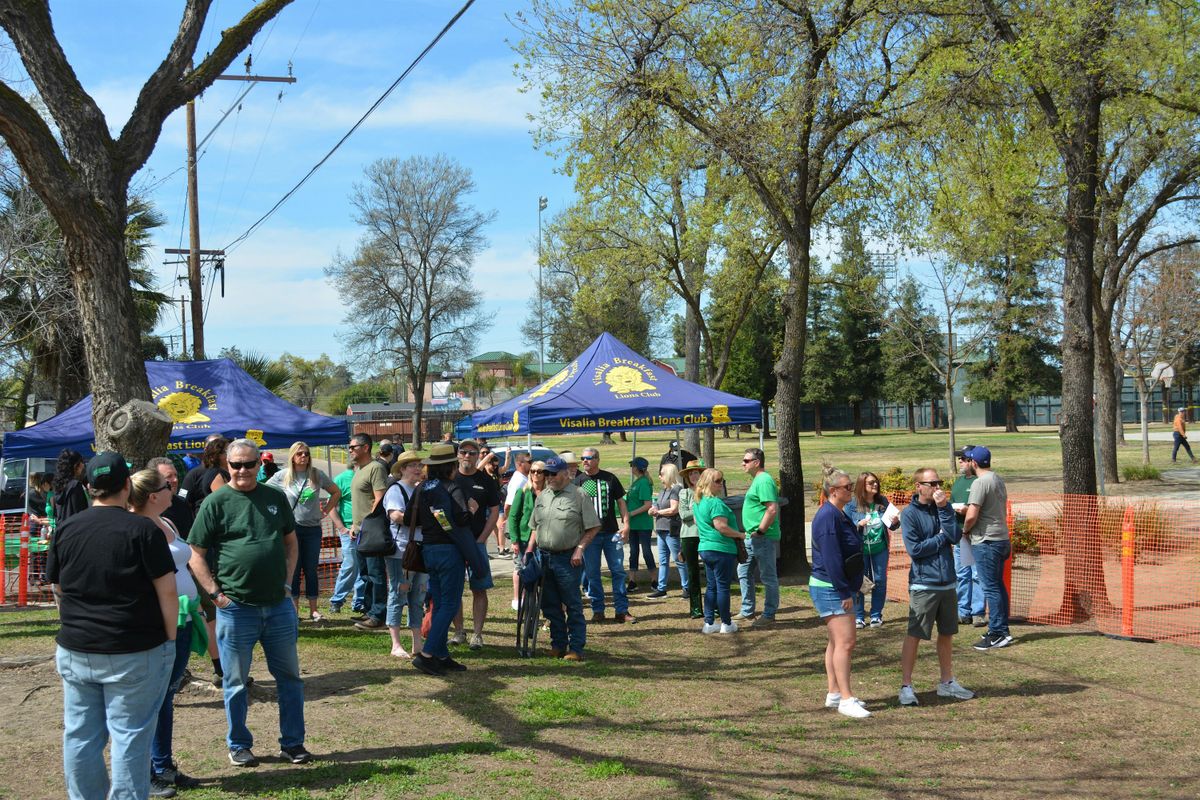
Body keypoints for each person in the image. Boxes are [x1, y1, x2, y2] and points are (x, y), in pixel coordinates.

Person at [48, 452, 178, 799]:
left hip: (77, 648)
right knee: (130, 736)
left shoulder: (66, 528)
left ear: (90, 487)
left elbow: (57, 586)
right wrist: (169, 641)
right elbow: (167, 592)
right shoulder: (143, 530)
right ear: (126, 485)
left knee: (80, 735)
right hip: (133, 650)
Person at [187, 438, 310, 767]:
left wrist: (286, 584)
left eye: (249, 464)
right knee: (236, 682)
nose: (242, 470)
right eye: (236, 464)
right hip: (236, 609)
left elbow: (291, 543)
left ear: (259, 465)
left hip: (278, 607)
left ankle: (293, 743)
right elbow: (195, 556)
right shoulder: (216, 502)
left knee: (290, 679)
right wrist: (216, 595)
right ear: (227, 466)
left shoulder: (274, 498)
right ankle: (239, 744)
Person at [129, 468, 202, 796]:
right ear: (151, 495)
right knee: (149, 702)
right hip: (159, 625)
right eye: (166, 485)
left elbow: (185, 565)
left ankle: (164, 766)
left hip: (184, 619)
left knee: (166, 697)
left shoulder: (169, 521)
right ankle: (144, 773)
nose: (174, 487)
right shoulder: (137, 527)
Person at [897, 467, 975, 707]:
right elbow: (916, 550)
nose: (937, 487)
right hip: (924, 584)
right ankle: (906, 686)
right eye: (931, 483)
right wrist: (941, 537)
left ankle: (947, 682)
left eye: (939, 482)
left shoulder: (944, 508)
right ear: (918, 486)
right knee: (916, 634)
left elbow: (954, 535)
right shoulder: (909, 514)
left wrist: (943, 511)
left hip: (948, 582)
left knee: (947, 633)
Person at [408, 443, 474, 676]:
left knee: (438, 602)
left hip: (428, 550)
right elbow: (462, 520)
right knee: (450, 604)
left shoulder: (422, 488)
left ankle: (441, 655)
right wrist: (472, 510)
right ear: (451, 467)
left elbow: (408, 519)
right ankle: (427, 655)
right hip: (449, 551)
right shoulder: (452, 488)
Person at [809, 467, 869, 718]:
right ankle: (846, 699)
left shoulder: (838, 514)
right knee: (846, 642)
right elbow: (832, 558)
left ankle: (834, 694)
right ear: (833, 491)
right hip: (831, 588)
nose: (851, 490)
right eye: (847, 487)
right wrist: (845, 591)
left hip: (836, 586)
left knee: (836, 642)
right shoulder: (828, 517)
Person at [529, 456, 601, 661]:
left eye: (552, 473)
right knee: (550, 605)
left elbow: (594, 526)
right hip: (544, 557)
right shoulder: (542, 496)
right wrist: (528, 552)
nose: (548, 477)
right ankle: (558, 644)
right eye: (546, 474)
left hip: (567, 559)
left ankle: (576, 648)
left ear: (565, 473)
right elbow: (535, 527)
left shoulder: (579, 495)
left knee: (572, 605)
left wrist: (580, 549)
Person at [268, 442, 341, 622]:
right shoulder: (283, 476)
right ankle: (294, 610)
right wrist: (276, 513)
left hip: (313, 529)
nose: (304, 457)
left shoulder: (316, 474)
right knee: (293, 569)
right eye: (300, 453)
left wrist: (327, 510)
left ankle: (314, 610)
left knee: (311, 569)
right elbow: (264, 491)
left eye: (306, 453)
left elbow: (336, 492)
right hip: (292, 530)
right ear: (292, 456)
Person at [450, 439, 501, 648]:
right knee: (454, 588)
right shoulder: (451, 478)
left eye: (473, 453)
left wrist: (482, 539)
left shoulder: (486, 481)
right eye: (464, 452)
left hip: (476, 542)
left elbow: (495, 512)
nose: (468, 456)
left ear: (479, 455)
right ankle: (459, 631)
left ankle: (477, 635)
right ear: (458, 454)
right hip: (453, 544)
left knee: (479, 588)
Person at [575, 448, 636, 624]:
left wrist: (626, 525)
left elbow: (621, 502)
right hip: (589, 537)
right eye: (583, 458)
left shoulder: (610, 478)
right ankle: (598, 611)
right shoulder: (578, 481)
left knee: (617, 571)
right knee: (593, 574)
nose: (585, 461)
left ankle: (621, 611)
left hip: (611, 533)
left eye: (589, 458)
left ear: (597, 460)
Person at [962, 446, 1013, 651]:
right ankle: (1002, 630)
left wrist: (965, 530)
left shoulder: (980, 482)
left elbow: (972, 514)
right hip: (1001, 539)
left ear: (974, 463)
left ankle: (997, 632)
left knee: (991, 587)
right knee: (998, 586)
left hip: (987, 541)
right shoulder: (997, 479)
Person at [382, 452, 429, 658]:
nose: (417, 469)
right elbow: (395, 516)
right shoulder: (396, 489)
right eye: (412, 465)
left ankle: (417, 642)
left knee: (418, 595)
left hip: (421, 549)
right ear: (401, 469)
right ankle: (396, 644)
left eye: (419, 465)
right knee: (399, 593)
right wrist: (421, 520)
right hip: (401, 551)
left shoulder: (422, 489)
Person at [844, 471, 900, 629]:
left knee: (880, 580)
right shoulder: (851, 505)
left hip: (880, 548)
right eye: (870, 483)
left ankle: (876, 615)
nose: (875, 484)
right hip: (860, 550)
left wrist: (895, 522)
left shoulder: (882, 501)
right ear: (862, 485)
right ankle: (859, 616)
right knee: (860, 581)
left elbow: (893, 525)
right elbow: (845, 530)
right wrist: (858, 525)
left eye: (876, 482)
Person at [693, 468, 744, 634]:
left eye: (722, 479)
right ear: (707, 482)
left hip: (706, 548)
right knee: (722, 587)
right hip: (721, 548)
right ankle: (726, 623)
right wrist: (740, 535)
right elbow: (721, 526)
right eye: (717, 480)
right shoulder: (715, 503)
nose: (721, 483)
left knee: (711, 586)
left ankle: (709, 623)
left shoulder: (698, 502)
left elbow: (698, 522)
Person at [348, 433, 389, 631]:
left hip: (371, 531)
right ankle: (370, 609)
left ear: (365, 448)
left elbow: (379, 499)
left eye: (353, 447)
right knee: (365, 574)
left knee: (376, 574)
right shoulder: (360, 470)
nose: (350, 451)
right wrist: (354, 527)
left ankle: (378, 615)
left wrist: (368, 526)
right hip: (359, 532)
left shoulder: (376, 468)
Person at [737, 448, 781, 628]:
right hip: (751, 538)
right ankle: (747, 611)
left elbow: (772, 509)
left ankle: (769, 614)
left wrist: (761, 531)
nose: (743, 463)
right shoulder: (758, 480)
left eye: (746, 460)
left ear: (757, 462)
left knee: (768, 577)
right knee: (743, 572)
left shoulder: (764, 480)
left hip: (762, 538)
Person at [950, 446, 985, 627]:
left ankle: (978, 612)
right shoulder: (958, 482)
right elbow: (950, 505)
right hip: (960, 537)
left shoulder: (981, 482)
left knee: (977, 575)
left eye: (963, 459)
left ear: (973, 461)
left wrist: (967, 511)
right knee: (961, 574)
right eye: (959, 459)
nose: (960, 462)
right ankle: (963, 611)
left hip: (977, 536)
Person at [507, 460, 546, 611]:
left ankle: (537, 599)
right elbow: (513, 516)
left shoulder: (549, 492)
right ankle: (518, 599)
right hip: (524, 537)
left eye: (539, 471)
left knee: (540, 569)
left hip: (543, 538)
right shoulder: (523, 492)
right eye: (533, 471)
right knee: (520, 566)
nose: (535, 474)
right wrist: (514, 540)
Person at [328, 464, 364, 614]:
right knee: (350, 565)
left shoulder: (369, 476)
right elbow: (330, 506)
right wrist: (342, 528)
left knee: (364, 566)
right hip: (349, 530)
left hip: (367, 529)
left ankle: (360, 601)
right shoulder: (342, 479)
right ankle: (337, 600)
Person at [647, 462, 686, 599]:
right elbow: (657, 505)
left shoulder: (676, 490)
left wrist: (657, 512)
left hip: (672, 529)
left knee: (679, 559)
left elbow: (674, 509)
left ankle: (686, 588)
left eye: (662, 474)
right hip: (661, 529)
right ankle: (661, 588)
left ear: (669, 474)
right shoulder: (663, 490)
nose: (659, 477)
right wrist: (652, 509)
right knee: (663, 561)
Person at [677, 459, 706, 619]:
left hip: (706, 534)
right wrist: (698, 511)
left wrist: (694, 512)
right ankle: (696, 608)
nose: (694, 476)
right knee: (692, 572)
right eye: (691, 473)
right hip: (688, 535)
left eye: (696, 473)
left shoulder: (708, 492)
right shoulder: (684, 493)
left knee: (710, 571)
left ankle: (714, 606)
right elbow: (683, 514)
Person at [147, 457, 194, 540]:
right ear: (154, 479)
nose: (175, 480)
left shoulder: (182, 504)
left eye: (175, 475)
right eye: (169, 476)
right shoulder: (145, 507)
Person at [625, 457, 655, 582]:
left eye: (632, 465)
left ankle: (655, 580)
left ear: (637, 468)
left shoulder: (643, 483)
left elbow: (648, 504)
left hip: (643, 524)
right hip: (634, 524)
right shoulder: (637, 482)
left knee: (646, 552)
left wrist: (631, 513)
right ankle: (632, 581)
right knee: (633, 552)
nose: (631, 467)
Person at [501, 451, 533, 557]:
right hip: (520, 530)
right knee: (520, 565)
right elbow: (508, 506)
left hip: (524, 529)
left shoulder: (523, 478)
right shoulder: (518, 481)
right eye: (529, 462)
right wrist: (511, 526)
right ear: (520, 463)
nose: (532, 464)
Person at [52, 448, 88, 525]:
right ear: (76, 465)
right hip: (74, 532)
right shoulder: (75, 485)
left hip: (61, 531)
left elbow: (55, 515)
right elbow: (80, 514)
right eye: (82, 462)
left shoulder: (57, 486)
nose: (83, 465)